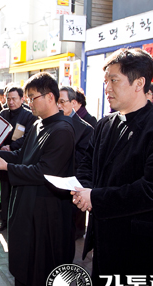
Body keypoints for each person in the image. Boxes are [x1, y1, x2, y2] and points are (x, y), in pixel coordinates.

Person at [72, 48, 153, 286]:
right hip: (106, 242)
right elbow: (87, 163)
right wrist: (84, 189)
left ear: (139, 84)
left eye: (114, 80)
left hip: (142, 251)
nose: (107, 87)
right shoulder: (105, 124)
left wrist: (95, 198)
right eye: (106, 81)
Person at [0, 72, 75, 286]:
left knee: (40, 268)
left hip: (45, 212)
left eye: (33, 98)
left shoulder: (63, 130)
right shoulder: (37, 124)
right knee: (24, 264)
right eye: (29, 98)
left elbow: (45, 171)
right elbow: (23, 156)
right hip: (26, 205)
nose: (29, 103)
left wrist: (7, 167)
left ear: (51, 97)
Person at [0, 86, 37, 232]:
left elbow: (28, 137)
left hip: (19, 159)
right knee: (4, 191)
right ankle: (4, 220)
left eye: (14, 99)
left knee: (17, 193)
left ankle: (17, 223)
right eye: (8, 99)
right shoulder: (3, 113)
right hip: (2, 158)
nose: (10, 102)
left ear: (21, 98)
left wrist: (11, 147)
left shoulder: (29, 116)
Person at [59, 86, 94, 239]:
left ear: (73, 103)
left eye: (62, 102)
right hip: (52, 187)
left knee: (71, 233)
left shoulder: (85, 129)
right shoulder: (50, 123)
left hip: (72, 186)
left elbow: (83, 160)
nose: (59, 106)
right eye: (57, 102)